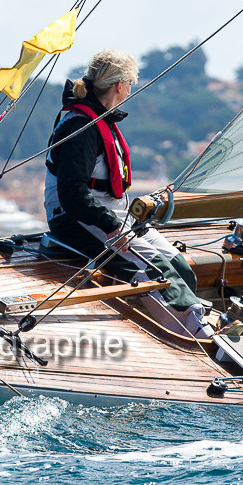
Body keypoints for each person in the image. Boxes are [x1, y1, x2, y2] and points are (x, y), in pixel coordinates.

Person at [44, 50, 215, 338]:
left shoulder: (99, 119)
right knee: (153, 270)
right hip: (74, 217)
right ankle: (196, 335)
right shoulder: (81, 127)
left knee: (178, 266)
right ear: (120, 86)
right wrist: (111, 227)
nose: (129, 91)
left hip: (108, 213)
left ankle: (190, 319)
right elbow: (72, 194)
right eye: (130, 85)